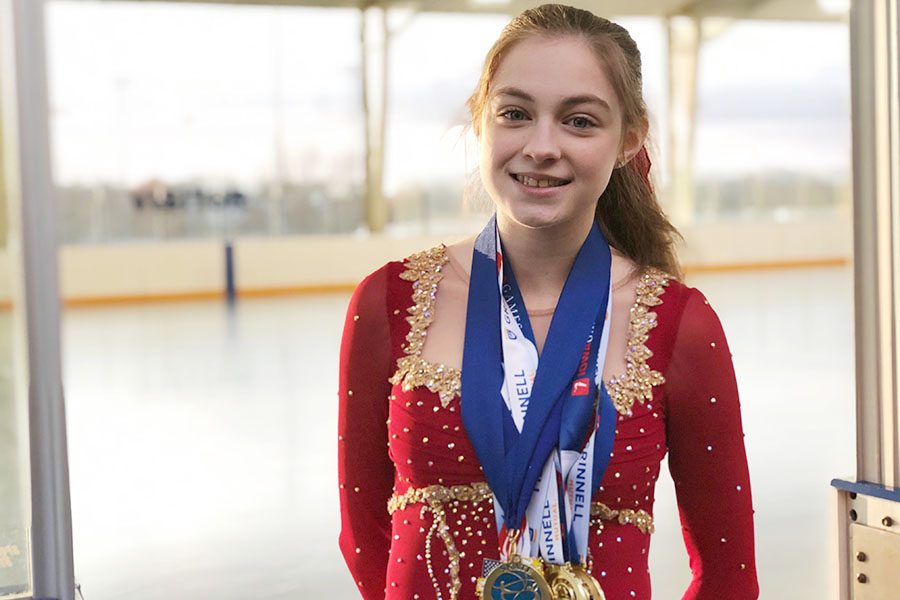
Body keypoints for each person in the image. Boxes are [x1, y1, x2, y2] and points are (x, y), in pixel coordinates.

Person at [337, 4, 759, 599]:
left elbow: (729, 577)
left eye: (579, 122)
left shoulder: (679, 324)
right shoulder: (389, 302)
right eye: (515, 113)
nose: (541, 146)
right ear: (481, 121)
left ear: (627, 140)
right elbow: (365, 538)